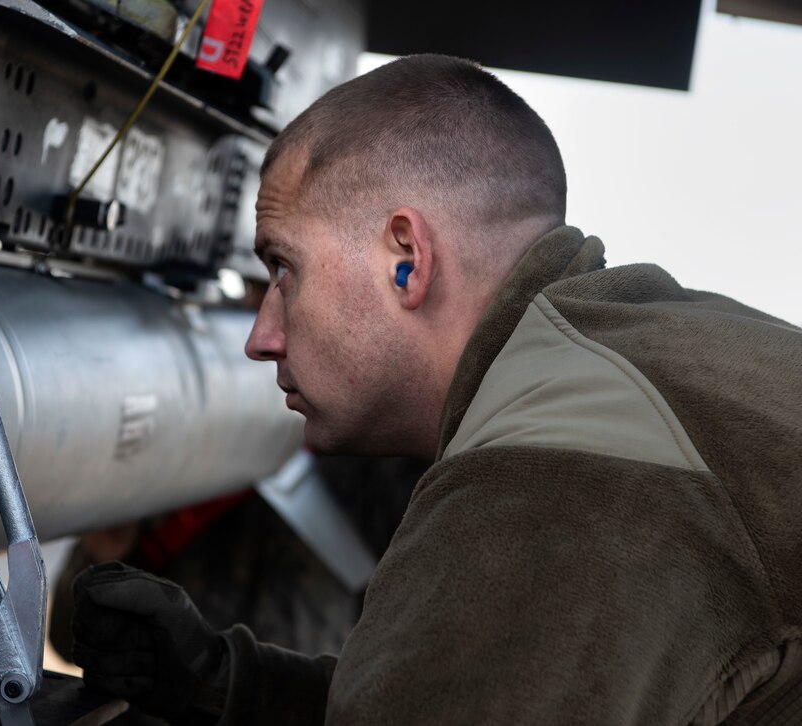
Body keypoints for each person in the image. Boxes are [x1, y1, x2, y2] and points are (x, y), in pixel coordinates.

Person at [71, 54, 802, 724]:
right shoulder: (629, 358)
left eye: (284, 269)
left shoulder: (552, 471)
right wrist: (223, 683)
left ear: (407, 258)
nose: (260, 335)